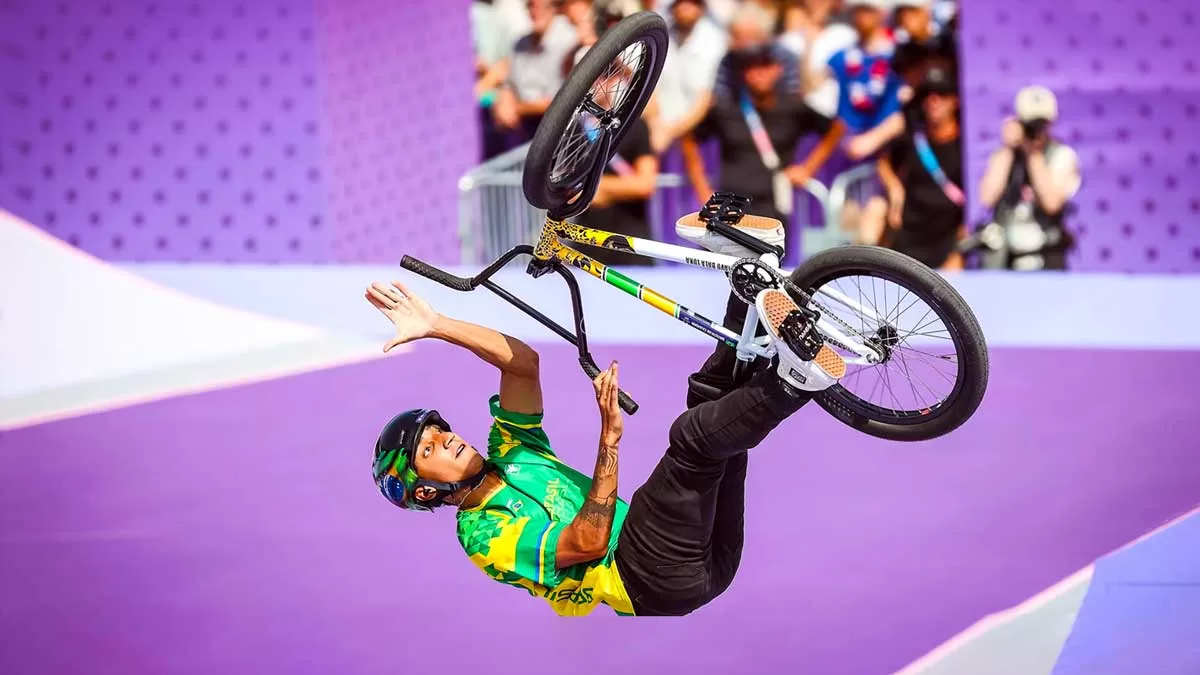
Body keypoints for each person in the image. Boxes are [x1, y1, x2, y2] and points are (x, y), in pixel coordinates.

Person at [365, 225, 847, 617]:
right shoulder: (481, 536)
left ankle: (748, 275)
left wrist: (438, 325)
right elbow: (589, 540)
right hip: (644, 575)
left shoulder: (510, 451)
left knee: (708, 403)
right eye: (428, 451)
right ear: (426, 491)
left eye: (438, 431)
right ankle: (794, 381)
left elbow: (521, 363)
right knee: (694, 439)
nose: (445, 439)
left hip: (701, 561)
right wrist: (609, 439)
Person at [679, 9, 845, 245]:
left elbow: (836, 129)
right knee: (721, 270)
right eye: (751, 67)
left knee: (768, 272)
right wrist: (701, 186)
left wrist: (807, 168)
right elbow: (689, 138)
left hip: (772, 206)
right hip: (728, 204)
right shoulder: (727, 107)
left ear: (778, 69)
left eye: (765, 66)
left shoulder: (793, 106)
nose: (759, 74)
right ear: (742, 72)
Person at [565, 45, 661, 267]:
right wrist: (618, 188)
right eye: (593, 75)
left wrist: (595, 188)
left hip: (632, 245)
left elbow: (645, 184)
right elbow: (566, 192)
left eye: (611, 72)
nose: (604, 81)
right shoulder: (570, 130)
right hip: (587, 245)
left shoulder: (636, 126)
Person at [973, 85, 1082, 271]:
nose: (1036, 131)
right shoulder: (1005, 155)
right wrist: (1008, 148)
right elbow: (986, 198)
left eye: (1041, 124)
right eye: (1030, 124)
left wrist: (1033, 154)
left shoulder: (1062, 155)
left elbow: (1052, 203)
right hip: (1005, 260)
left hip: (1047, 258)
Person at [874, 65, 965, 270]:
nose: (933, 101)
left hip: (945, 241)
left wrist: (959, 250)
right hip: (909, 236)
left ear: (955, 100)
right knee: (873, 211)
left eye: (942, 94)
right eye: (927, 95)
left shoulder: (966, 147)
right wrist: (894, 189)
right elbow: (883, 163)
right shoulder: (914, 138)